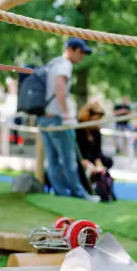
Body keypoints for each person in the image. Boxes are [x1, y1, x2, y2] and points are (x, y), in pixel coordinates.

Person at [38, 37, 99, 201]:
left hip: (43, 118)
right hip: (57, 119)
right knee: (68, 159)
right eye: (81, 52)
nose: (82, 56)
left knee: (53, 160)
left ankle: (61, 194)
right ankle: (79, 195)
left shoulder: (53, 63)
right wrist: (66, 114)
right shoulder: (65, 64)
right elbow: (60, 85)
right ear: (71, 49)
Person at [76, 101, 117, 202]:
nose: (99, 122)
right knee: (80, 168)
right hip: (81, 159)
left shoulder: (96, 132)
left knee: (108, 161)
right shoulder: (78, 130)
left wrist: (99, 166)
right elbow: (77, 153)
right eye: (97, 119)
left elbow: (97, 153)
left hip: (92, 158)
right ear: (89, 116)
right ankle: (87, 189)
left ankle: (104, 189)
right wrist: (89, 165)